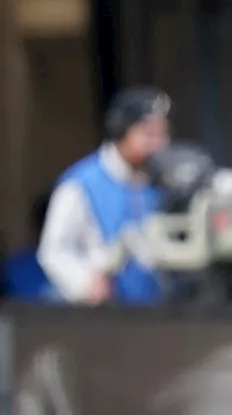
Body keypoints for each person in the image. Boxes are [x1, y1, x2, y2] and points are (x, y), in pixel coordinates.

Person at [37, 86, 171, 306]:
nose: (157, 144)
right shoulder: (82, 184)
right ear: (122, 131)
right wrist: (85, 283)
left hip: (156, 312)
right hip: (104, 316)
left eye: (162, 134)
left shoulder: (161, 181)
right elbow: (53, 251)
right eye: (148, 134)